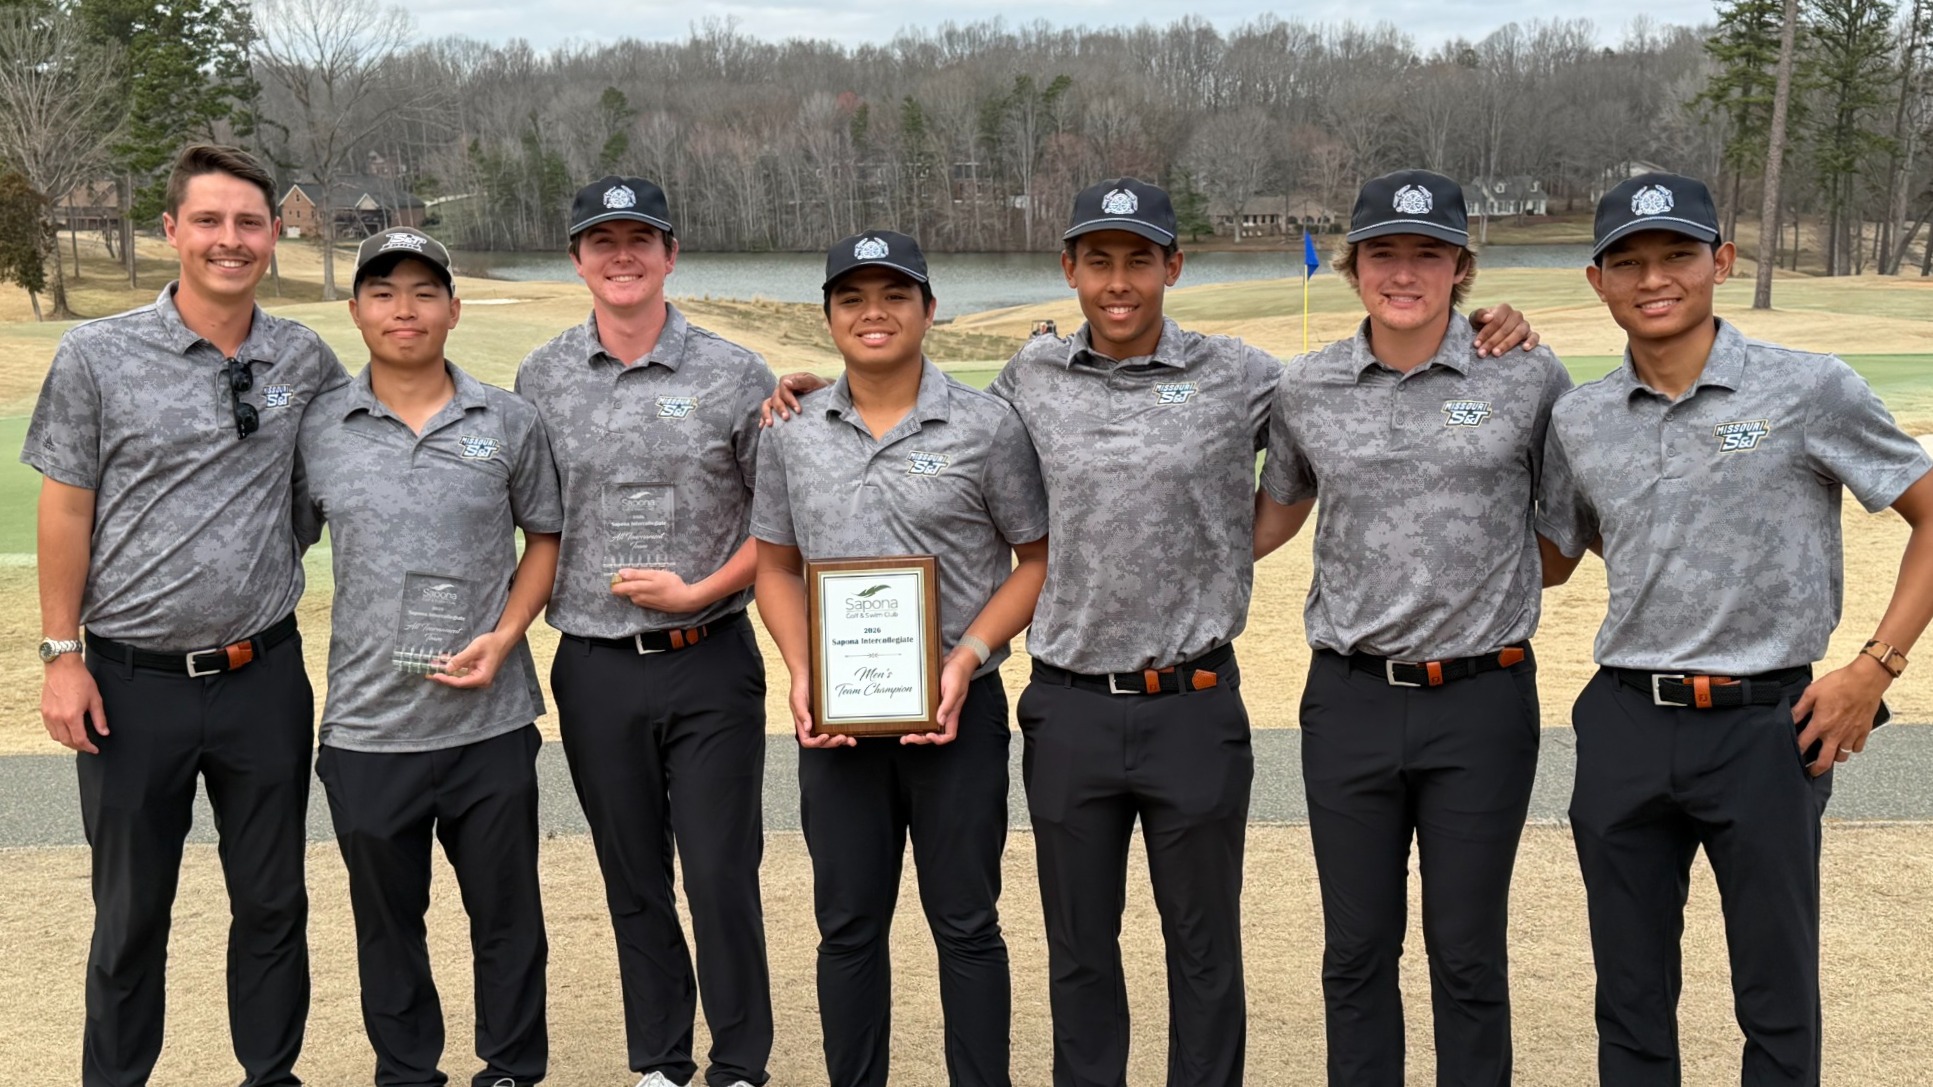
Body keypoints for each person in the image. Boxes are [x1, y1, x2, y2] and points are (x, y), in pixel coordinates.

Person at [763, 177, 1540, 1087]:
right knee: (1081, 950)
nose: (1119, 281)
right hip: (1067, 704)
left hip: (1194, 701)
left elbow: (1306, 465)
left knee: (1204, 950)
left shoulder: (1246, 375)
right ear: (1070, 270)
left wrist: (1490, 323)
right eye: (1099, 261)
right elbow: (935, 420)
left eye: (1140, 259)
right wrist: (819, 393)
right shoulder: (1027, 380)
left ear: (1173, 264)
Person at [1538, 172, 1933, 1085]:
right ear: (1596, 282)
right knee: (1629, 996)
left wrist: (1874, 668)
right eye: (1625, 262)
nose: (1652, 278)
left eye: (1676, 253)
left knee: (1775, 991)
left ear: (1720, 259)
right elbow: (1560, 553)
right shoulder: (1580, 418)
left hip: (1768, 725)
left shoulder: (1808, 389)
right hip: (1625, 720)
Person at [23, 143, 348, 1087]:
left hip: (265, 676)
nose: (229, 240)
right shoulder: (98, 354)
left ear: (274, 233)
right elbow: (66, 505)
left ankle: (269, 1073)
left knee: (273, 904)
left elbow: (379, 435)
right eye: (207, 221)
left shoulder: (303, 358)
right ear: (169, 231)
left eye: (249, 222)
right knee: (131, 914)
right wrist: (60, 653)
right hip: (131, 684)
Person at [1253, 169, 1573, 1085]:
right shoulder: (1306, 386)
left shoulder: (1524, 374)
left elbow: (1555, 541)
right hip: (1349, 698)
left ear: (1460, 266)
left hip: (1481, 702)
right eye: (1382, 253)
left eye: (1426, 253)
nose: (1403, 273)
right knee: (1355, 950)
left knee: (1466, 952)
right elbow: (1273, 513)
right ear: (1352, 268)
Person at [750, 230, 1049, 1087]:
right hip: (836, 724)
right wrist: (803, 670)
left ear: (927, 307)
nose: (872, 313)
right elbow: (773, 563)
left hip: (961, 711)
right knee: (846, 926)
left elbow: (1034, 557)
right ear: (829, 315)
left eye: (892, 296)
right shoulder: (791, 428)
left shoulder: (986, 425)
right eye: (851, 298)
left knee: (965, 922)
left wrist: (967, 658)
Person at [514, 177, 776, 1087]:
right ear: (577, 258)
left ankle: (738, 1061)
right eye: (601, 240)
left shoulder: (735, 373)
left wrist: (701, 585)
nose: (621, 256)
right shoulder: (541, 377)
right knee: (634, 878)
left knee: (717, 872)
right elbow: (530, 520)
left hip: (709, 659)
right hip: (591, 665)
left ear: (670, 253)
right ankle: (659, 1059)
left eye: (640, 238)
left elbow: (778, 525)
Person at [293, 228, 562, 1087]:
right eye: (382, 292)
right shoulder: (317, 426)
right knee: (387, 924)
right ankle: (407, 1072)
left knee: (507, 916)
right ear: (356, 309)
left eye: (421, 291)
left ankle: (512, 1068)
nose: (402, 309)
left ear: (453, 306)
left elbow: (546, 536)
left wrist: (508, 632)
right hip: (367, 727)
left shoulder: (508, 419)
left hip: (490, 719)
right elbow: (280, 543)